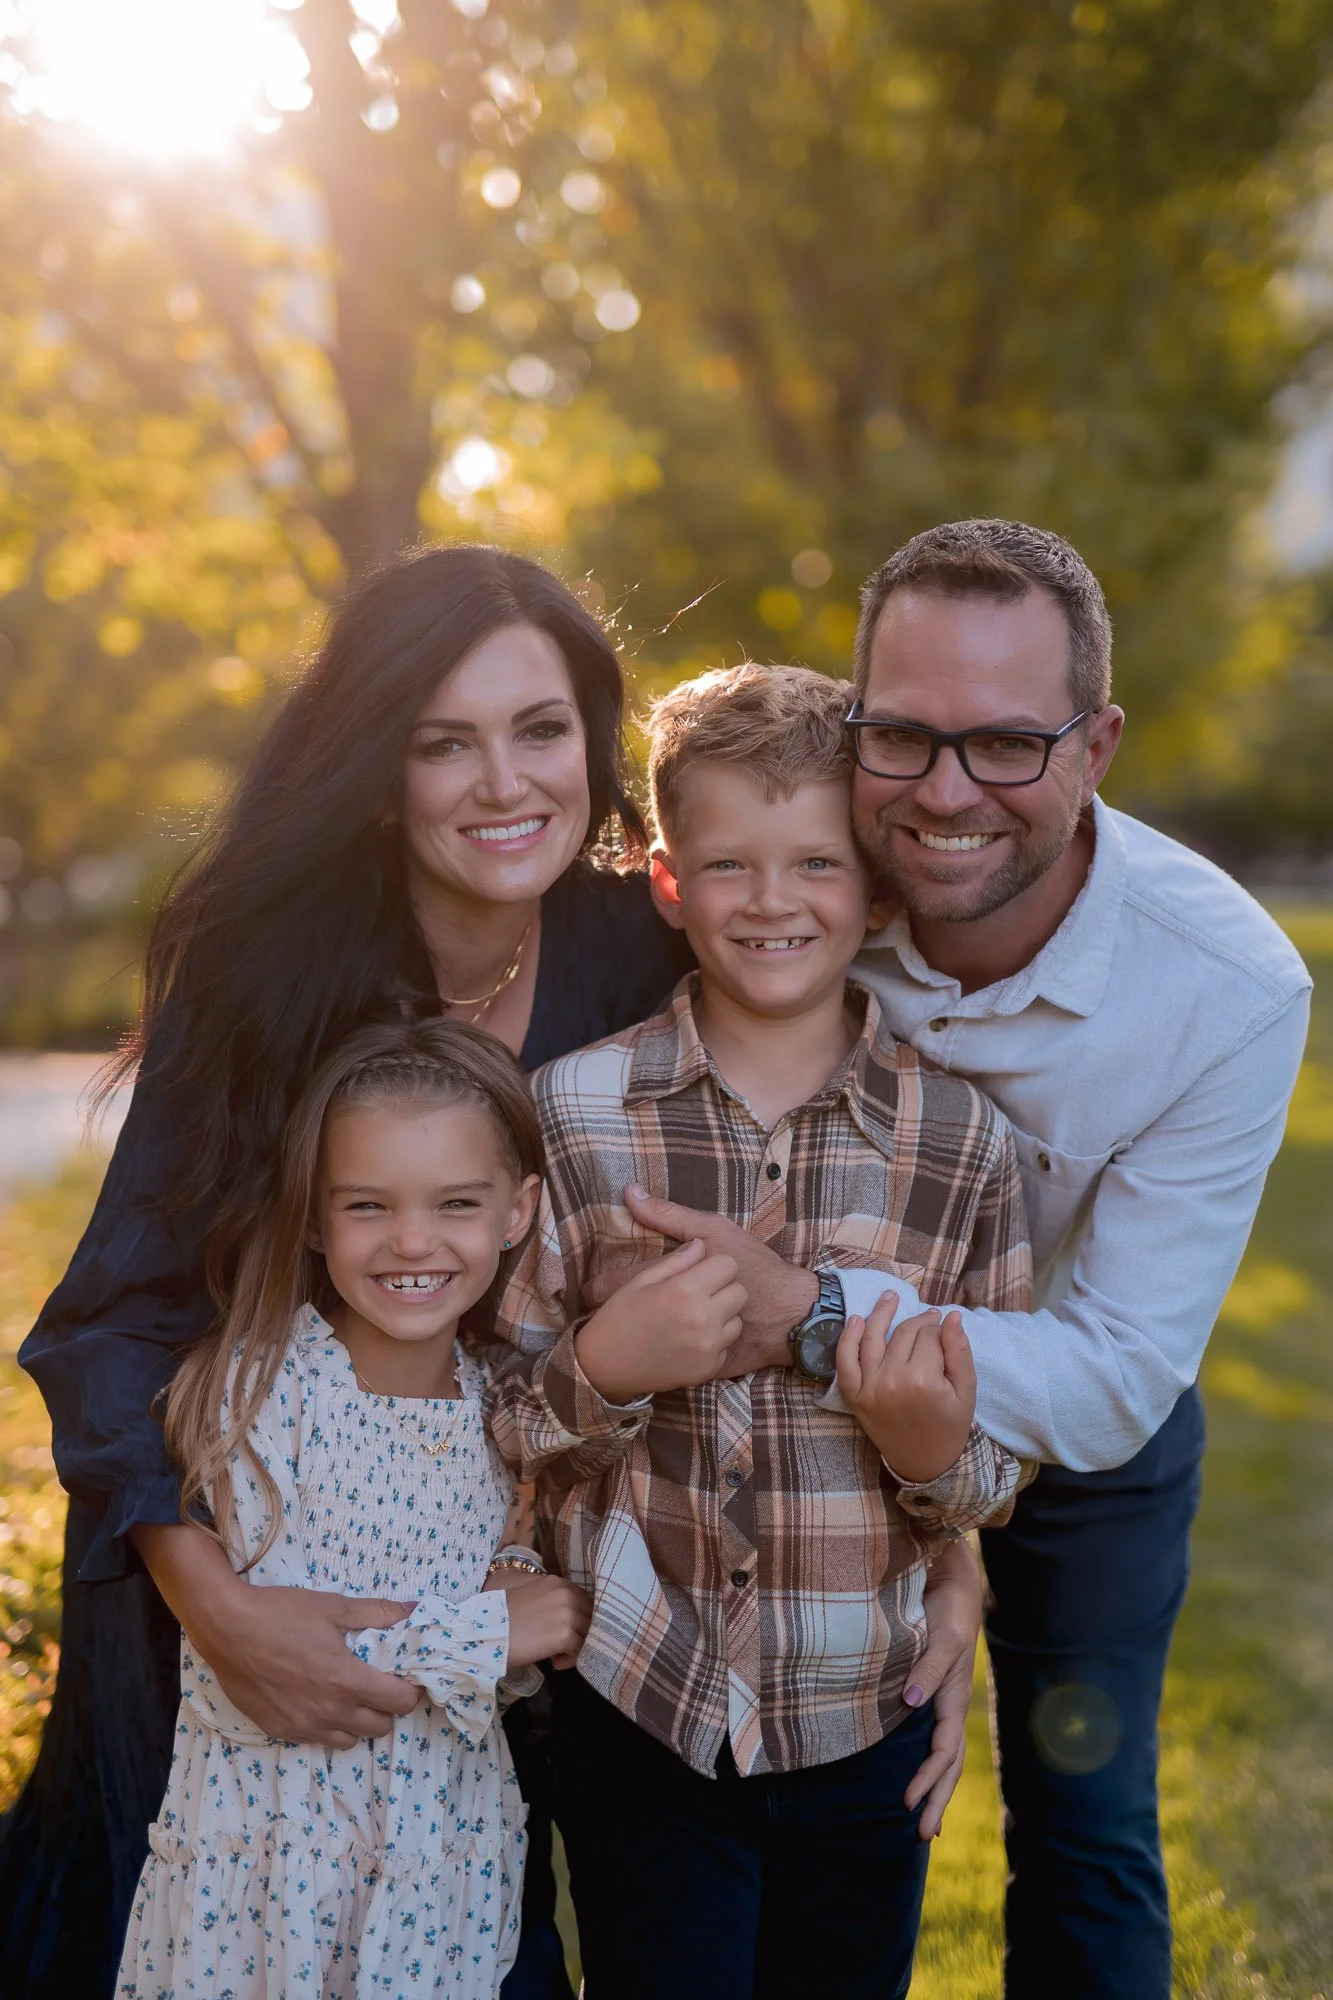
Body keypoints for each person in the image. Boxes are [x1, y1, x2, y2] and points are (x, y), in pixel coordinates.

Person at [5, 542, 979, 1999]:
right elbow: (114, 1322)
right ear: (378, 763)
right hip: (256, 1560)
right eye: (441, 740)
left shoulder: (642, 951)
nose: (501, 782)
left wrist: (943, 1562)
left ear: (594, 747)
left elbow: (843, 1219)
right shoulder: (263, 967)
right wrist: (222, 1608)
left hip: (525, 1585)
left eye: (538, 730)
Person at [588, 522, 1313, 2000]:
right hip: (772, 1452)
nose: (945, 793)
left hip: (1076, 1396)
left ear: (1097, 744)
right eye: (904, 735)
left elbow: (1111, 1374)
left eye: (1006, 745)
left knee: (1088, 1815)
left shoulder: (1226, 990)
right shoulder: (802, 879)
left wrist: (817, 1326)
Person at [487, 665, 1033, 2000]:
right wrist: (603, 1368)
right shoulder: (571, 1115)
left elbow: (999, 1463)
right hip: (637, 1711)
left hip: (862, 1718)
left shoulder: (960, 1145)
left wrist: (927, 1452)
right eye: (729, 865)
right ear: (667, 885)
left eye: (816, 865)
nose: (773, 902)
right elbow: (493, 1410)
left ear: (879, 886)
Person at [117, 1019, 591, 1999]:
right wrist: (485, 1632)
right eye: (367, 1205)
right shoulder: (262, 1391)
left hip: (441, 1875)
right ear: (313, 1219)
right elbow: (259, 1673)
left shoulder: (500, 1416)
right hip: (265, 1878)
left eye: (456, 1202)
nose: (412, 1239)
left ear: (518, 1210)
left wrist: (504, 1618)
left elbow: (482, 1693)